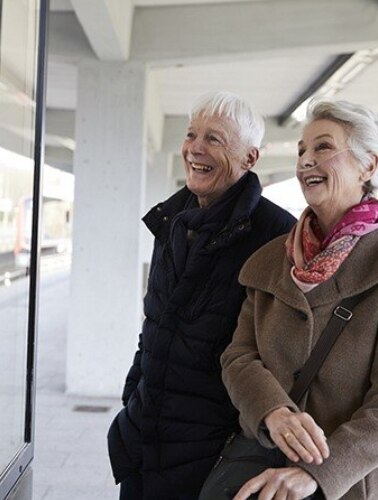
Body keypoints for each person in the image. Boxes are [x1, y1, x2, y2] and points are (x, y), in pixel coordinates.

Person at [221, 98, 378, 499]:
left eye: (323, 147)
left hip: (346, 485)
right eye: (302, 150)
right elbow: (239, 356)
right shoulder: (268, 261)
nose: (305, 161)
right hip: (262, 469)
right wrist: (273, 411)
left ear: (367, 166)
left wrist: (318, 471)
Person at [107, 91, 296, 499]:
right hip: (142, 444)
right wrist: (132, 398)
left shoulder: (278, 237)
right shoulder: (170, 220)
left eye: (214, 139)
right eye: (192, 134)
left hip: (212, 461)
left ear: (250, 158)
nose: (195, 148)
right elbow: (153, 327)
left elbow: (279, 358)